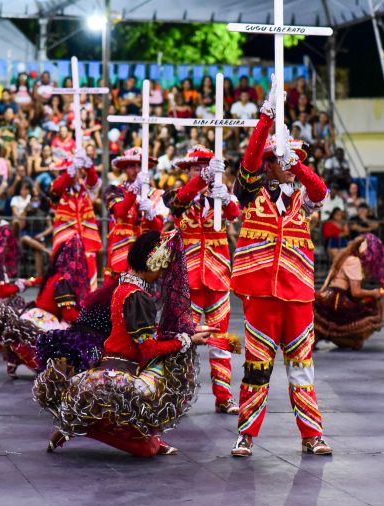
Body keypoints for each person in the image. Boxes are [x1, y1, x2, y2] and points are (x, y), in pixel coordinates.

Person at [35, 231, 212, 457]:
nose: (160, 276)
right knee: (146, 448)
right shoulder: (139, 297)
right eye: (159, 269)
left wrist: (187, 332)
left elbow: (144, 334)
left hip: (107, 364)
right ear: (150, 263)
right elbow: (149, 349)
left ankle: (82, 426)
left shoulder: (122, 288)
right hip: (123, 372)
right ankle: (78, 428)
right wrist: (185, 340)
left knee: (141, 431)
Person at [229, 76, 331, 458]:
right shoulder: (252, 189)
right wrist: (266, 119)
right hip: (260, 294)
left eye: (289, 161)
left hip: (298, 292)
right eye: (279, 162)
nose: (286, 167)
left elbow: (321, 191)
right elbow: (250, 160)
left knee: (302, 369)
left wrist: (300, 166)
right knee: (257, 368)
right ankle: (246, 434)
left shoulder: (303, 194)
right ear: (268, 166)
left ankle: (312, 435)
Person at [164, 145, 242, 414]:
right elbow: (178, 204)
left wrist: (228, 199)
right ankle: (178, 396)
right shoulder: (176, 195)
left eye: (207, 167)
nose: (203, 172)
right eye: (197, 168)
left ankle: (224, 396)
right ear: (187, 171)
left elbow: (234, 215)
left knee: (221, 339)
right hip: (189, 278)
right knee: (185, 339)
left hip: (218, 276)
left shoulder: (220, 197)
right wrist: (203, 180)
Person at [0, 236, 89, 377]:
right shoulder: (64, 281)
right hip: (47, 319)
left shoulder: (52, 276)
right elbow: (68, 314)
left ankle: (13, 361)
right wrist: (88, 318)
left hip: (32, 314)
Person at [314, 234, 384, 350]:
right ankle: (330, 336)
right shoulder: (354, 261)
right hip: (338, 299)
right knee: (356, 343)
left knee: (325, 325)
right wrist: (374, 293)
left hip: (330, 295)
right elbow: (356, 292)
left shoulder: (345, 256)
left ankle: (323, 335)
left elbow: (328, 282)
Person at [103, 148, 164, 283]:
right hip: (121, 257)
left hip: (147, 260)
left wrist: (151, 214)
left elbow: (160, 230)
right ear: (124, 169)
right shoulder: (114, 191)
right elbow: (119, 212)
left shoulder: (158, 194)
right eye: (132, 166)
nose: (137, 170)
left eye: (140, 166)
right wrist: (135, 189)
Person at [48, 149, 102, 289]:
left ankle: (90, 302)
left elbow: (94, 181)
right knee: (66, 272)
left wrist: (89, 167)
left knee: (90, 272)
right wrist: (68, 174)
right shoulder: (58, 188)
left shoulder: (84, 188)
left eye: (77, 170)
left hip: (86, 239)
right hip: (66, 240)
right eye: (73, 171)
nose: (76, 174)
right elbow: (56, 190)